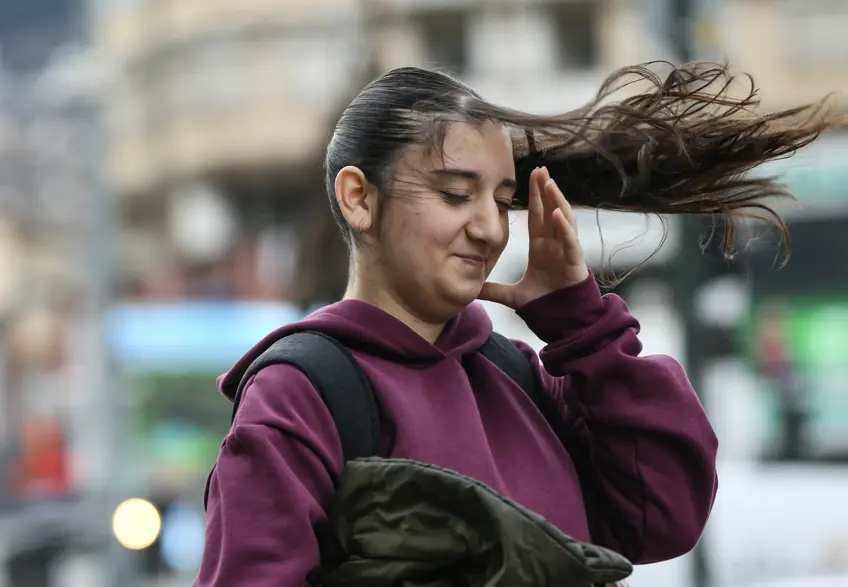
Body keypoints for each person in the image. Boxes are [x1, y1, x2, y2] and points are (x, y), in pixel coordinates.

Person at [193, 62, 836, 586]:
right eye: (454, 194)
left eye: (502, 201)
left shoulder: (523, 376)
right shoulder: (299, 394)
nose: (489, 228)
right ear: (360, 198)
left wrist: (581, 325)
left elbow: (665, 517)